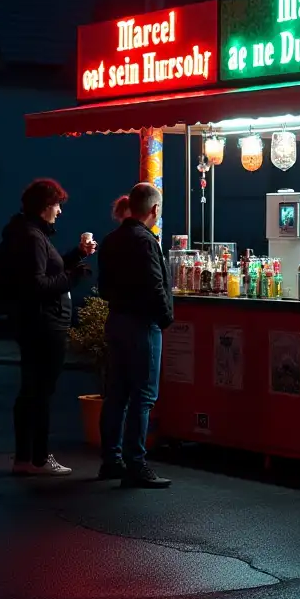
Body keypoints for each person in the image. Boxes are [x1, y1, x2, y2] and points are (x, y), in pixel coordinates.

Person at [2, 178, 95, 476]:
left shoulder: (29, 233)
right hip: (44, 324)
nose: (60, 211)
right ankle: (37, 459)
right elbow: (38, 284)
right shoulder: (31, 237)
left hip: (36, 322)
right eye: (57, 205)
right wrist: (73, 278)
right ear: (45, 207)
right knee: (40, 391)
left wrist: (77, 254)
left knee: (33, 389)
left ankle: (26, 458)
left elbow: (45, 270)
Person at [96, 182, 173, 488]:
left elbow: (103, 288)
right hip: (143, 325)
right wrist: (165, 317)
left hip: (116, 321)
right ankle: (136, 463)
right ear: (154, 209)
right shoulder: (146, 242)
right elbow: (156, 286)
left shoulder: (111, 240)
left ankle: (111, 459)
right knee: (143, 396)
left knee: (116, 394)